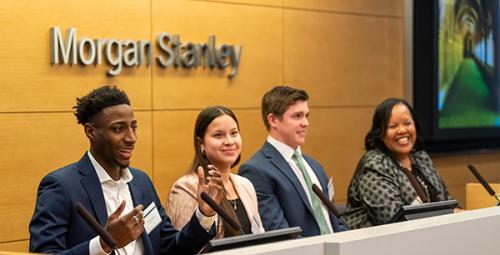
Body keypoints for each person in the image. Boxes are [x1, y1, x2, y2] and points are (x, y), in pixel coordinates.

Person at [29, 86, 223, 255]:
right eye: (118, 129)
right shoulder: (61, 187)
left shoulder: (141, 182)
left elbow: (171, 248)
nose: (131, 138)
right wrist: (103, 244)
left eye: (133, 127)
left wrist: (204, 215)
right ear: (91, 132)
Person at [238, 85, 348, 237]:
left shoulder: (315, 166)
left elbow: (336, 222)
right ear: (273, 120)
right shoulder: (256, 170)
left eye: (306, 116)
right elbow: (280, 233)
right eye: (297, 116)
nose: (305, 123)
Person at [341, 98, 457, 229]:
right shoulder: (374, 164)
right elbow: (392, 219)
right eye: (393, 126)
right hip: (376, 244)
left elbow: (447, 202)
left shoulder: (421, 157)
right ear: (380, 132)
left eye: (407, 123)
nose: (402, 130)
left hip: (426, 235)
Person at [167, 106, 264, 238]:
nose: (229, 141)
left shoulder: (246, 185)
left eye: (234, 133)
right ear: (201, 144)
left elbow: (260, 238)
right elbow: (183, 247)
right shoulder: (186, 188)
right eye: (219, 135)